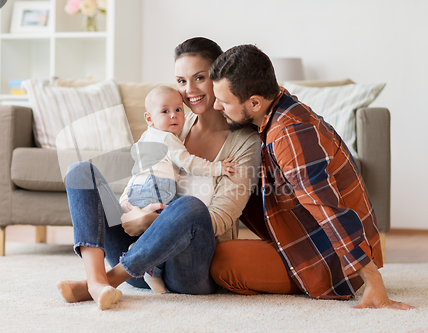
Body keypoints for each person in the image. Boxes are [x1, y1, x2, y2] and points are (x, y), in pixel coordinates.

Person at [56, 37, 261, 310]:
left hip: (189, 271)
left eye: (199, 78)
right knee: (80, 172)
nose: (189, 91)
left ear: (219, 78)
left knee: (190, 206)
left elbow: (219, 219)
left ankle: (111, 278)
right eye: (181, 81)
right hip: (143, 266)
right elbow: (142, 173)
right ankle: (95, 283)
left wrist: (151, 222)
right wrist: (131, 208)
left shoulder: (245, 141)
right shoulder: (173, 121)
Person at [208, 44, 414, 310]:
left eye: (223, 102)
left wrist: (373, 280)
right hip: (302, 232)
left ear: (255, 102)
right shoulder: (277, 108)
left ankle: (327, 277)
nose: (215, 106)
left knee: (221, 261)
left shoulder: (288, 134)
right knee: (239, 181)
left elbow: (328, 209)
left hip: (330, 261)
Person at [122, 85, 237, 293]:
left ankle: (139, 251)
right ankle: (151, 269)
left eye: (178, 110)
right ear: (149, 118)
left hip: (137, 190)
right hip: (158, 189)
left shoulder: (142, 140)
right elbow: (189, 163)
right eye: (165, 111)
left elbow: (135, 173)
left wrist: (125, 202)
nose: (173, 116)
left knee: (155, 228)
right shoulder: (168, 139)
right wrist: (218, 167)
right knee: (176, 220)